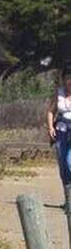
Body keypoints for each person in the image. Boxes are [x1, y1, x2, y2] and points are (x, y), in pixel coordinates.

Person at [46, 67, 71, 215]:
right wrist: (50, 128)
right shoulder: (59, 93)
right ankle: (68, 200)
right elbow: (51, 111)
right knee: (63, 167)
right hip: (61, 132)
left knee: (70, 163)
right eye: (67, 78)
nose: (69, 81)